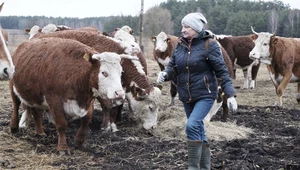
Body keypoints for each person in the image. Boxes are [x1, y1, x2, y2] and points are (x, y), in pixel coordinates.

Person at [156, 12, 238, 170]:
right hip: (186, 95)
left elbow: (222, 72)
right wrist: (165, 74)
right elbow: (173, 66)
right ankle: (204, 167)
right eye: (182, 26)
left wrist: (230, 95)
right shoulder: (180, 45)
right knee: (199, 129)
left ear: (196, 28)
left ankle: (193, 168)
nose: (183, 29)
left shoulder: (210, 45)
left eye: (187, 26)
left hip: (205, 95)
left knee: (191, 125)